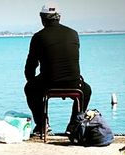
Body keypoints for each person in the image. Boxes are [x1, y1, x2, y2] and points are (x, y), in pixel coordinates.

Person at [24, 1, 92, 134]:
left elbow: (31, 66)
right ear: (59, 17)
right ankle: (74, 126)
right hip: (74, 83)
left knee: (30, 89)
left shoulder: (38, 37)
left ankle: (43, 125)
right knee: (86, 90)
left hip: (48, 83)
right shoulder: (73, 34)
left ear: (42, 18)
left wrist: (31, 81)